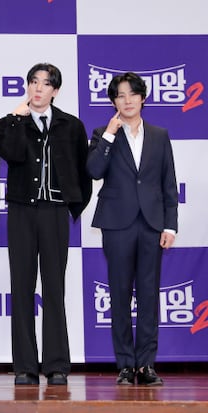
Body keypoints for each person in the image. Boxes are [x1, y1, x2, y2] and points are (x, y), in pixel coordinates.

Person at [0, 63, 92, 386]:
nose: (38, 88)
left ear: (55, 90)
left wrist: (72, 204)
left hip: (54, 213)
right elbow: (8, 152)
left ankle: (56, 365)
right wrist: (15, 118)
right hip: (21, 212)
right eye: (33, 82)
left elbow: (83, 171)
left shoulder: (71, 125)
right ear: (27, 86)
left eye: (46, 83)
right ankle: (24, 366)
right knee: (22, 287)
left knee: (54, 288)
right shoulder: (11, 124)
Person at [87, 72, 178, 386]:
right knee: (120, 293)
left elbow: (168, 183)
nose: (126, 101)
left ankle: (146, 364)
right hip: (117, 224)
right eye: (120, 95)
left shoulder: (159, 135)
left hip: (152, 223)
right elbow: (94, 170)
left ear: (142, 98)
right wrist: (110, 136)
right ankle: (125, 364)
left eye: (132, 94)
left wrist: (170, 225)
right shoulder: (102, 134)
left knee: (150, 295)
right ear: (113, 101)